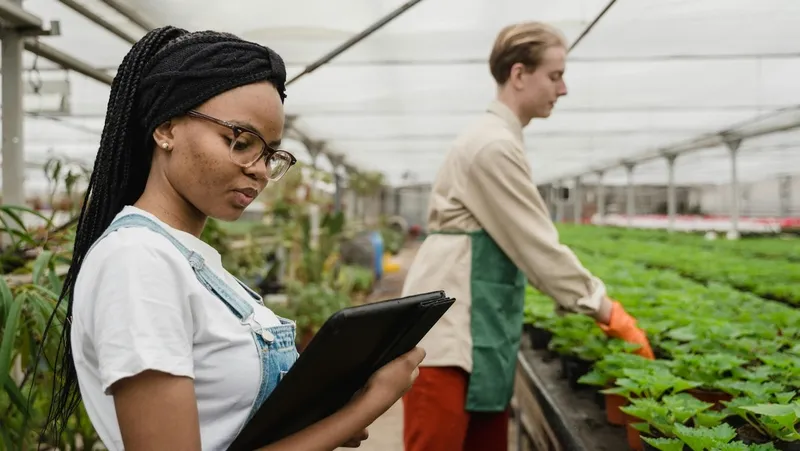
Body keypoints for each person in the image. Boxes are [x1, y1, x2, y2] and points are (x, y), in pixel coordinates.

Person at [39, 26, 425, 451]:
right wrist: (367, 405)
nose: (259, 169)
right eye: (241, 141)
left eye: (270, 153)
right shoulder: (137, 262)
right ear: (166, 128)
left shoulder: (186, 257)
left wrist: (327, 417)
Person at [399, 22, 655, 451]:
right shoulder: (491, 146)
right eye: (555, 76)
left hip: (475, 334)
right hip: (448, 343)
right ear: (519, 75)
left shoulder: (498, 140)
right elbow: (538, 248)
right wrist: (608, 312)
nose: (564, 88)